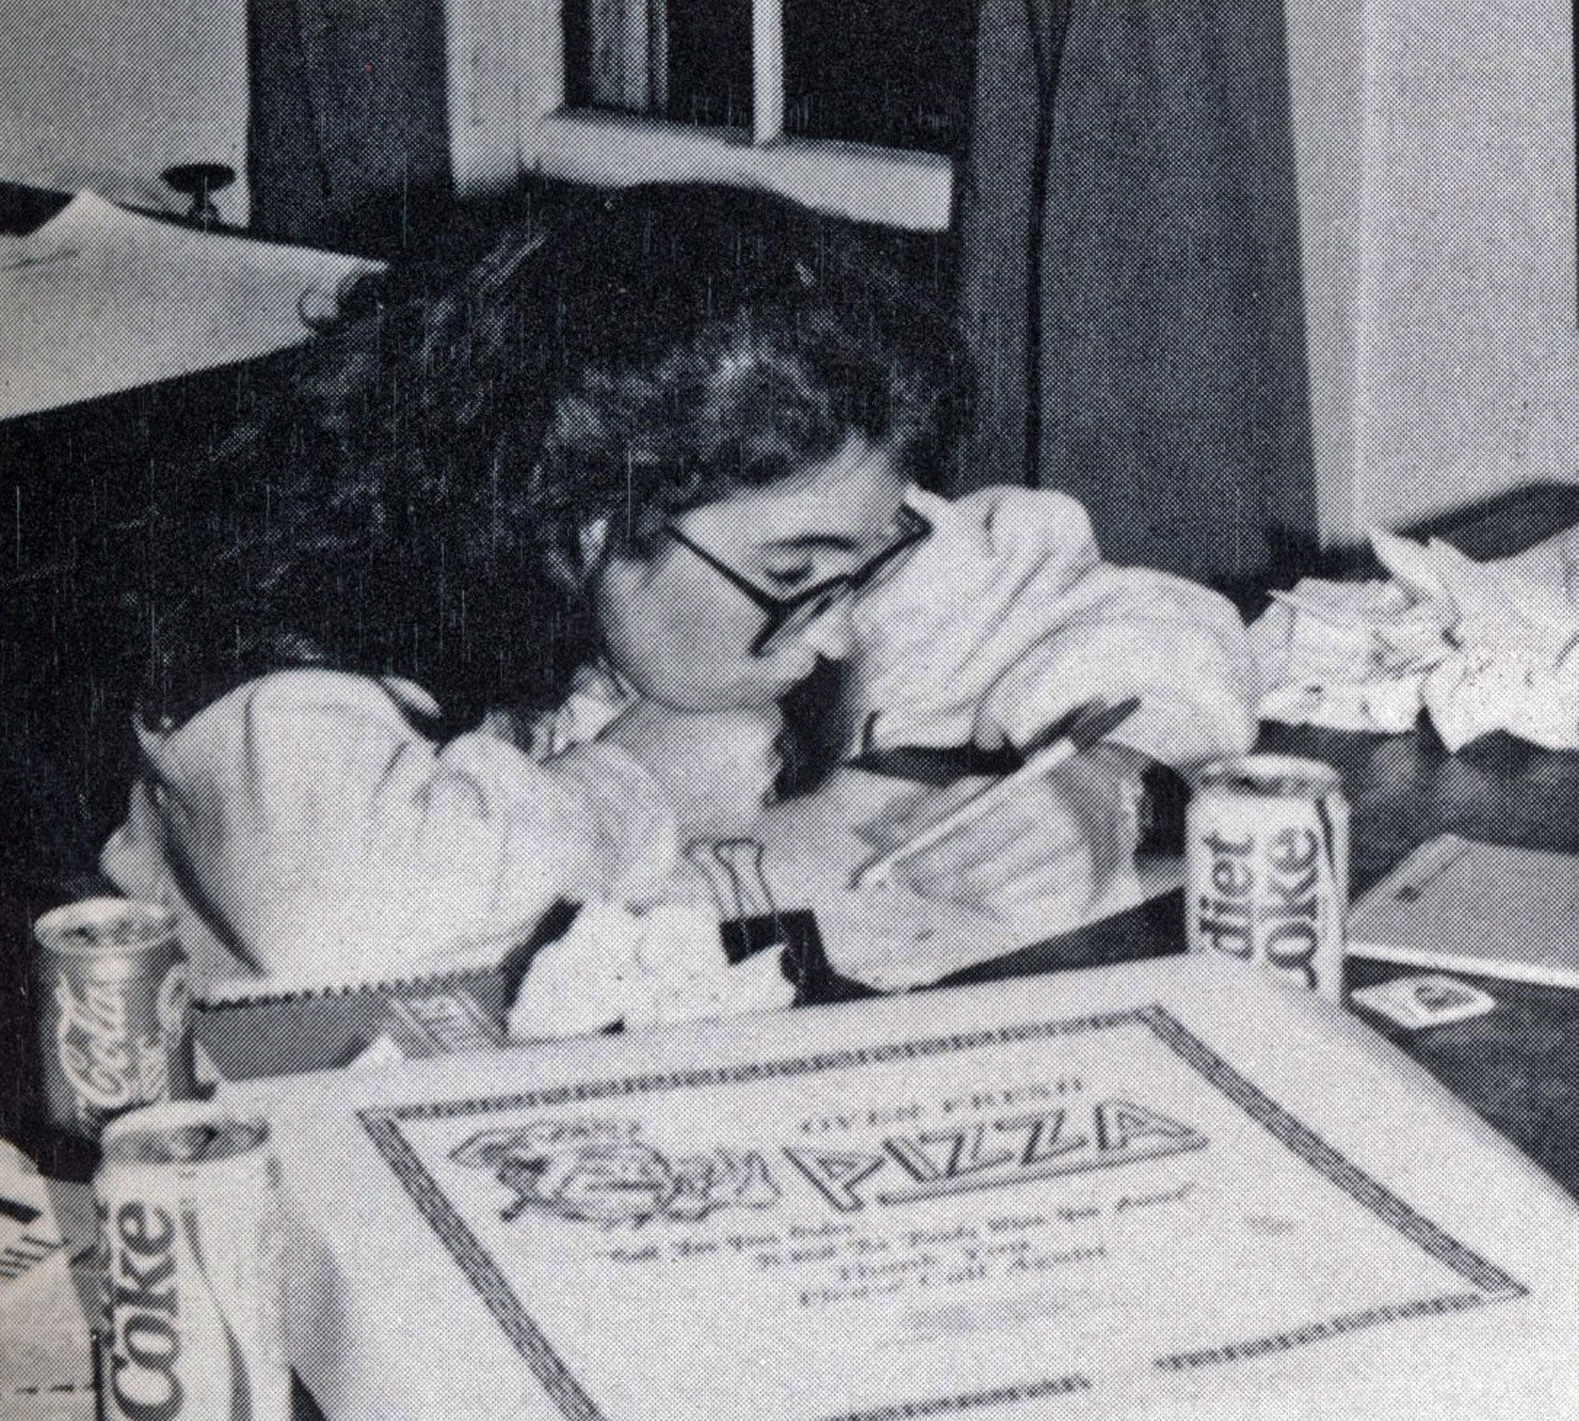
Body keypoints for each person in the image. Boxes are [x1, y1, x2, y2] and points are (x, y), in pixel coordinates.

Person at [102, 182, 1256, 986]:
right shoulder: (303, 610)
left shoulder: (786, 532)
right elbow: (325, 917)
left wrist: (1107, 787)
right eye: (796, 579)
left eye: (861, 562)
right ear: (590, 518)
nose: (843, 633)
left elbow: (1141, 619)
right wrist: (634, 788)